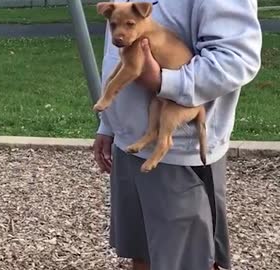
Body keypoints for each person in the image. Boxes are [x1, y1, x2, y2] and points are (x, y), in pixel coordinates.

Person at [93, 0, 262, 269]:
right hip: (130, 144)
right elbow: (120, 53)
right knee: (143, 254)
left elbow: (237, 59)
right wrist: (109, 124)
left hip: (179, 154)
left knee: (185, 260)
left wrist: (163, 82)